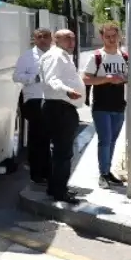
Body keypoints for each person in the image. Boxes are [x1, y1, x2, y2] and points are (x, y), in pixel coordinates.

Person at [39, 29, 85, 205]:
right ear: (56, 40)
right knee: (63, 152)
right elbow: (52, 79)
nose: (72, 41)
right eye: (67, 38)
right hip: (59, 108)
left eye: (73, 38)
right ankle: (59, 191)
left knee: (60, 152)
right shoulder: (55, 56)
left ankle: (56, 187)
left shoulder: (62, 55)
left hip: (62, 107)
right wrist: (67, 90)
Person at [83, 22, 128, 187]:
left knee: (113, 140)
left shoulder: (125, 56)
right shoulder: (96, 56)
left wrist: (125, 79)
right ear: (102, 37)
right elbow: (86, 79)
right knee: (105, 140)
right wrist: (106, 79)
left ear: (118, 36)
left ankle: (107, 171)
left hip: (119, 105)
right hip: (101, 106)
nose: (111, 39)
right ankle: (103, 174)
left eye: (113, 36)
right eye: (107, 36)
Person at [13, 28, 53, 185]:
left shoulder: (55, 55)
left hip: (51, 100)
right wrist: (33, 78)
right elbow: (16, 76)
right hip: (34, 101)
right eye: (39, 37)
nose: (42, 40)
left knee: (48, 139)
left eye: (45, 37)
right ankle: (37, 174)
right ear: (34, 40)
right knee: (38, 139)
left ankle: (48, 172)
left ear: (51, 39)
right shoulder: (27, 57)